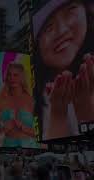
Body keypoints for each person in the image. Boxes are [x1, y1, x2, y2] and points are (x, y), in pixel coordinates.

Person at [33, 0, 94, 140]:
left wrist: (86, 109)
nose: (62, 31)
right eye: (48, 26)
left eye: (70, 10)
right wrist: (58, 115)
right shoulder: (37, 96)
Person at [0, 63, 37, 148]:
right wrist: (4, 128)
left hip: (29, 146)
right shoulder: (0, 100)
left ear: (22, 78)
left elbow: (41, 133)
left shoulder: (30, 100)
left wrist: (23, 127)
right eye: (9, 75)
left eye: (16, 75)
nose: (12, 78)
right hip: (8, 146)